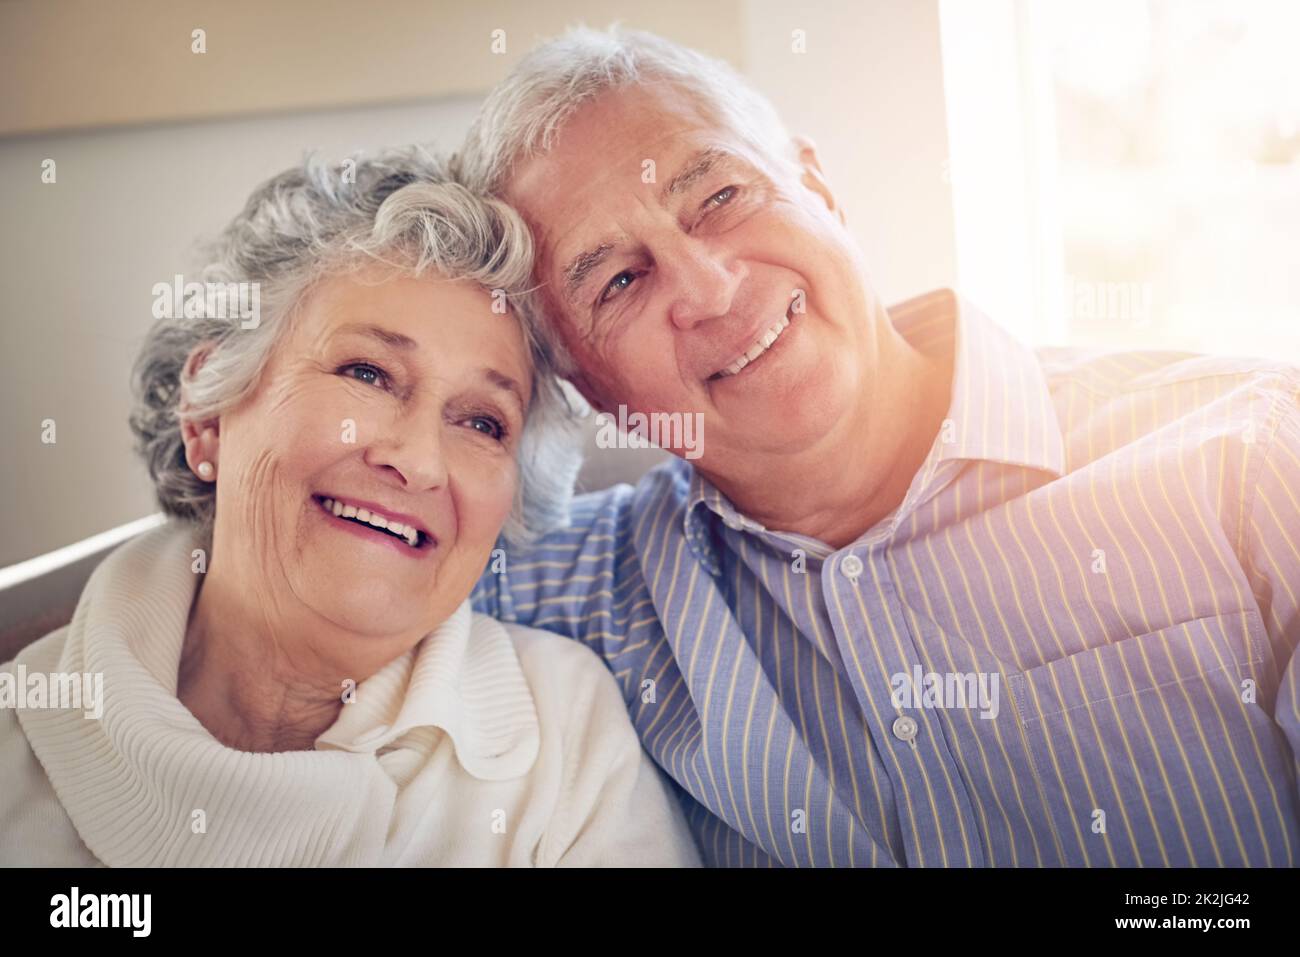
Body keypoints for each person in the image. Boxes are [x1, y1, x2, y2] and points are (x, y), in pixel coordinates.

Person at [461, 26, 1300, 866]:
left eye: (720, 196)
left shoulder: (1253, 454)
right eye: (618, 281)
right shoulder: (547, 600)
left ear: (818, 189)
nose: (710, 289)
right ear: (583, 387)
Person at [0, 146, 701, 867]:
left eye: (483, 422)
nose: (420, 460)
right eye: (368, 372)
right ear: (209, 413)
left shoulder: (565, 732)